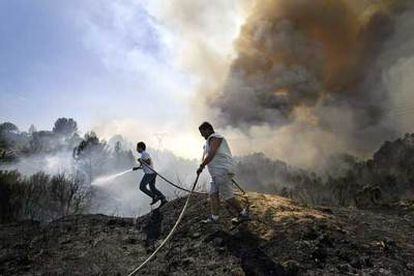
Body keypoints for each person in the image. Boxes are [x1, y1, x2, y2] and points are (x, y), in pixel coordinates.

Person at [196, 122, 249, 224]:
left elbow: (212, 153)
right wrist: (202, 165)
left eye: (202, 132)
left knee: (228, 196)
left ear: (207, 129)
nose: (202, 135)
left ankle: (243, 214)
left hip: (222, 171)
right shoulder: (209, 141)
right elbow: (209, 154)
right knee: (213, 194)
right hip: (216, 173)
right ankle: (214, 217)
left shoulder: (216, 137)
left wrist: (202, 166)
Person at [133, 142, 167, 207]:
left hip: (149, 174)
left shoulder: (144, 154)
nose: (136, 149)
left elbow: (148, 162)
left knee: (142, 187)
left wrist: (141, 160)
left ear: (140, 148)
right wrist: (137, 168)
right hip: (152, 173)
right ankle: (163, 199)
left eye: (137, 147)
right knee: (153, 188)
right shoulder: (143, 155)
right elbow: (145, 165)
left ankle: (154, 196)